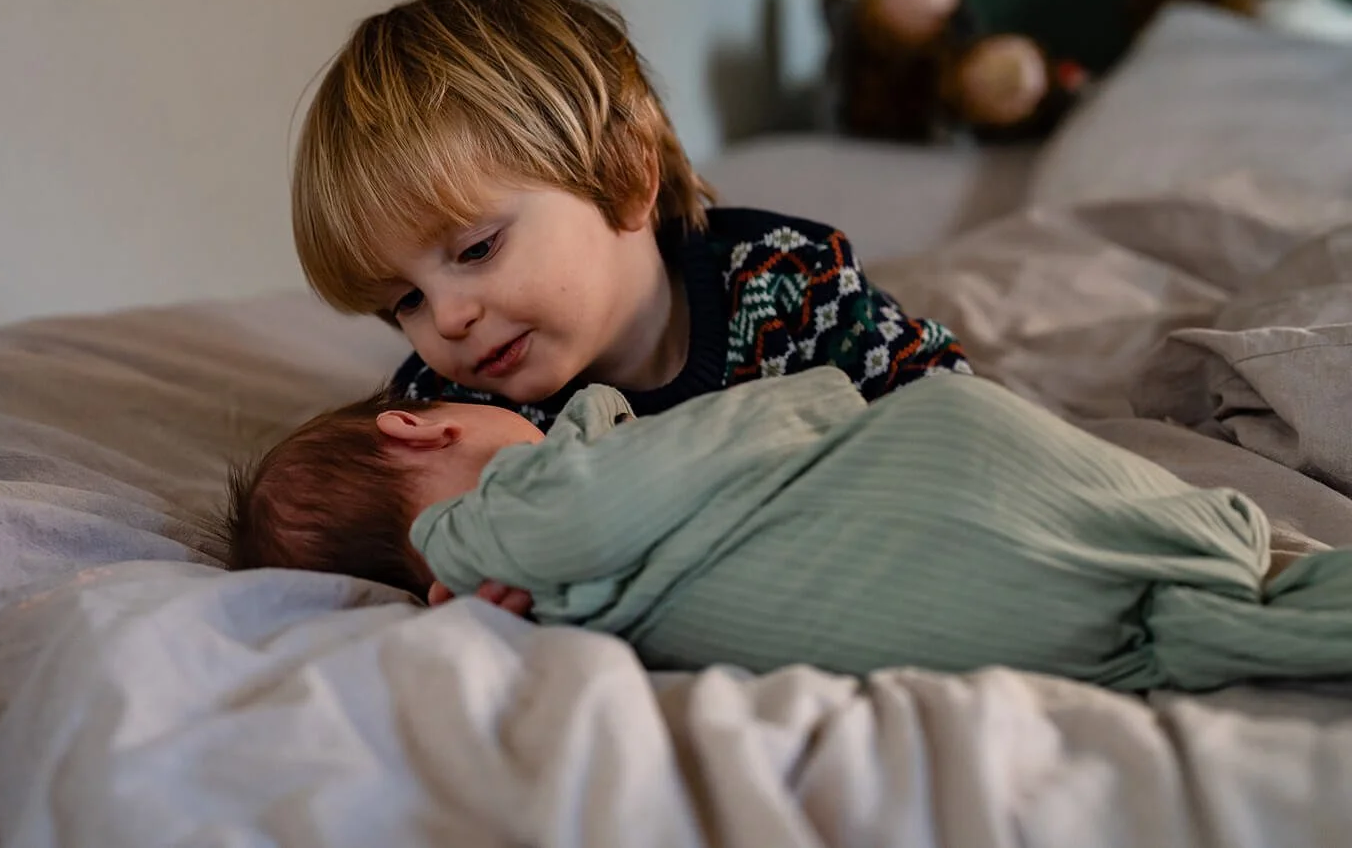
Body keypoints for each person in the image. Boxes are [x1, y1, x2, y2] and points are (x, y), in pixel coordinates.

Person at [226, 366, 1352, 695]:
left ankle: (1199, 609)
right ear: (416, 425)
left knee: (1192, 606)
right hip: (941, 492)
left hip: (925, 590)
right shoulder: (507, 512)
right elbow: (610, 489)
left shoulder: (498, 591)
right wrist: (801, 400)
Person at [291, 0, 970, 432]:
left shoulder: (790, 289)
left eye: (475, 249)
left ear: (623, 177)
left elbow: (950, 410)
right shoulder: (462, 412)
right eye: (405, 300)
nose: (447, 318)